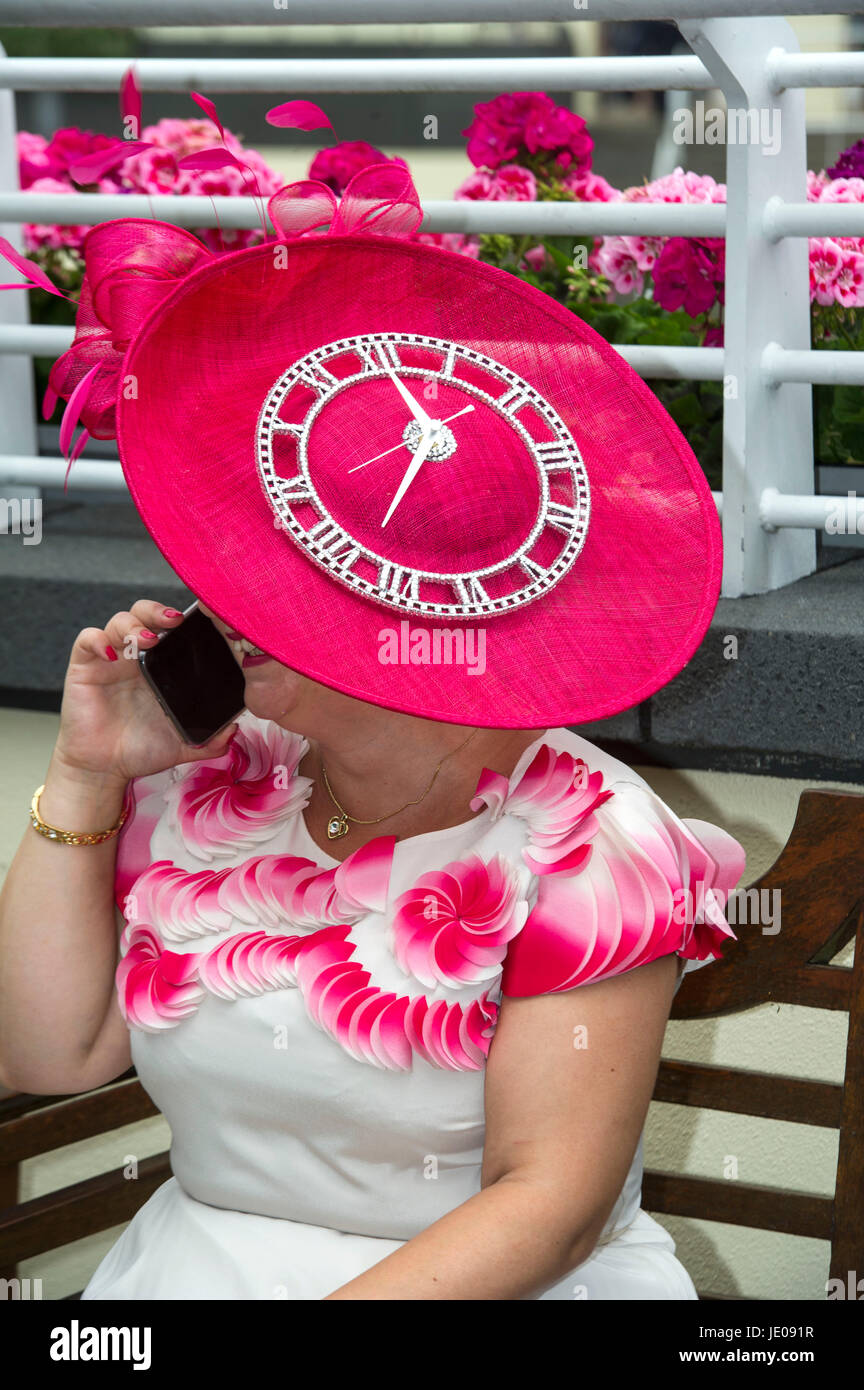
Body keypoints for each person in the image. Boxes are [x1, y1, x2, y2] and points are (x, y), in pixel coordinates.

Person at [0, 131, 745, 1300]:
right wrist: (90, 776)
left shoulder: (594, 844)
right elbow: (46, 1053)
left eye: (275, 584)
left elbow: (546, 1205)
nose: (217, 601)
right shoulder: (213, 770)